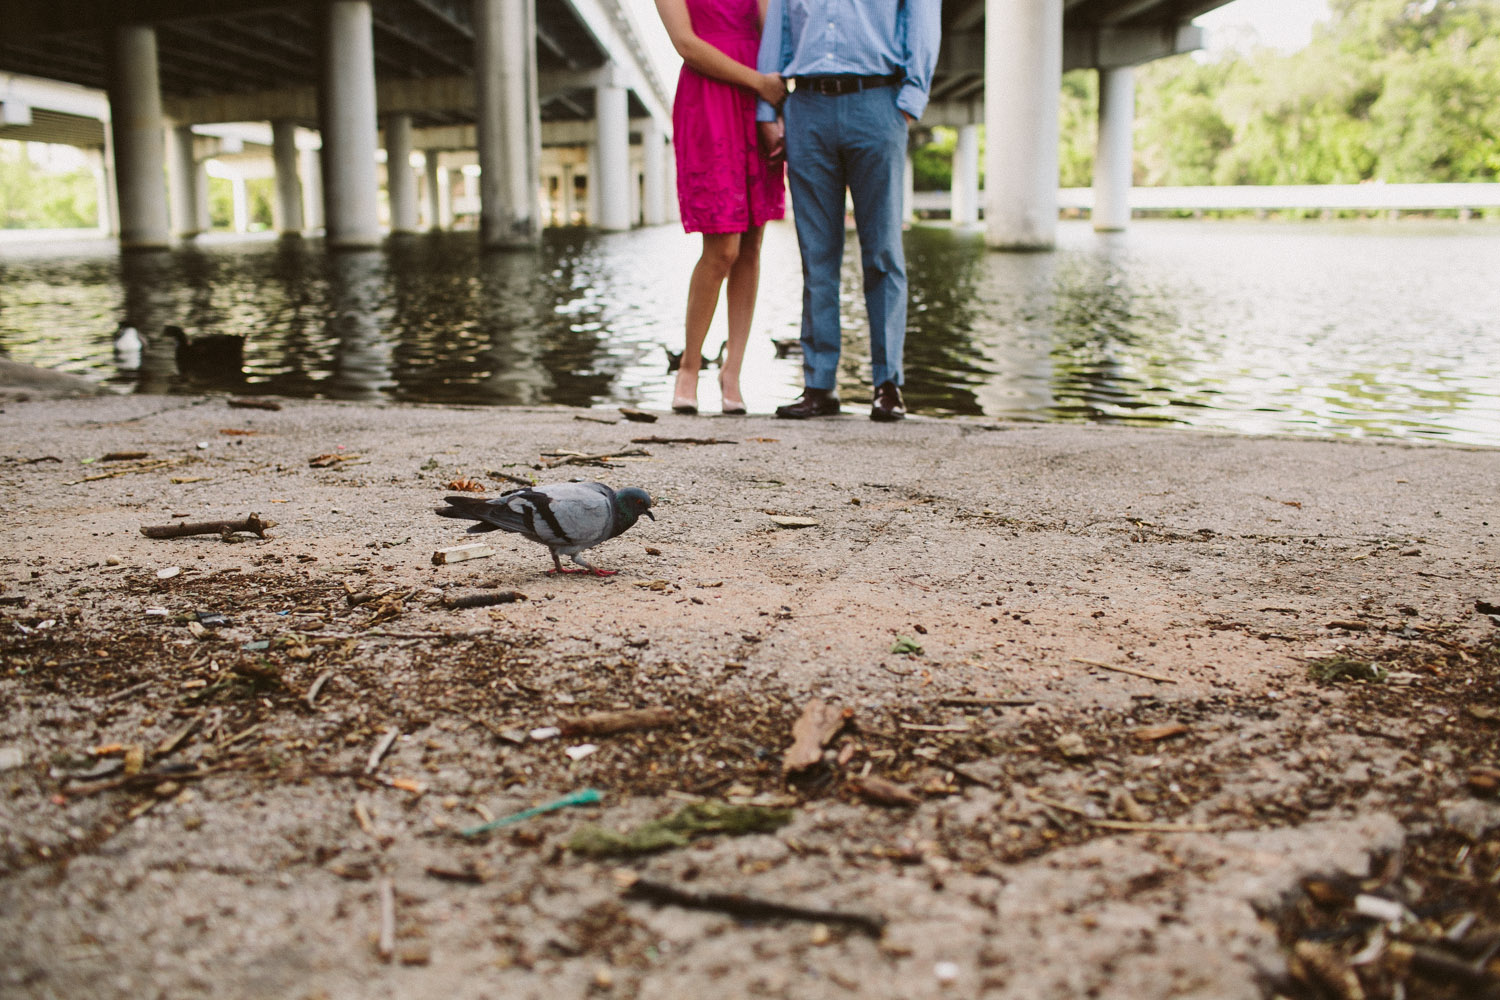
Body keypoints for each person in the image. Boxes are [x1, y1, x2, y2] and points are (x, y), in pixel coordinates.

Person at [756, 0, 940, 421]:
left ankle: (887, 383)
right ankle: (819, 385)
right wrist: (768, 112)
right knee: (817, 255)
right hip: (807, 108)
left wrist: (911, 99)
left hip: (878, 102)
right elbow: (777, 37)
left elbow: (923, 21)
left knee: (883, 252)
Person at [655, 0, 789, 415]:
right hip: (710, 99)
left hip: (759, 106)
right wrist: (760, 82)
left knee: (751, 245)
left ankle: (732, 372)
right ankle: (689, 367)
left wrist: (772, 107)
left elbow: (774, 30)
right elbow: (686, 44)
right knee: (722, 249)